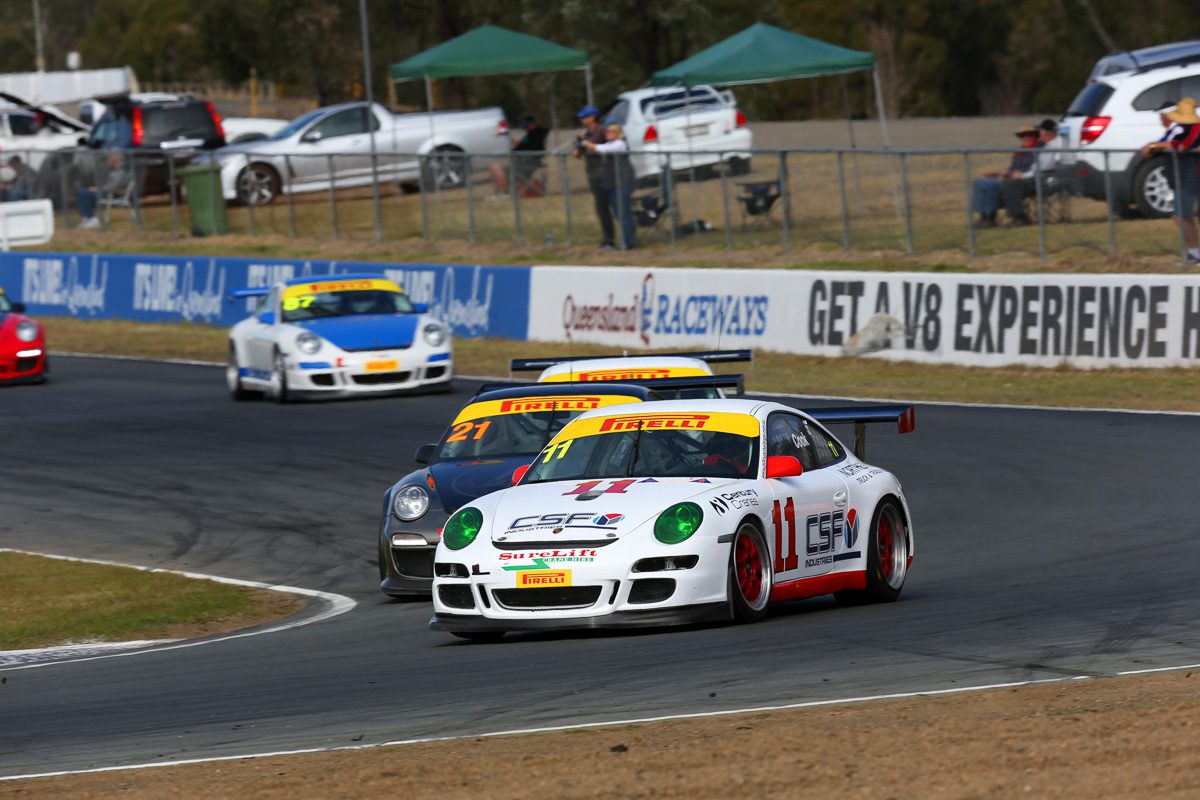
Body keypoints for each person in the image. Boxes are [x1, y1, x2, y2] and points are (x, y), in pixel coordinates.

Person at [1141, 98, 1200, 264]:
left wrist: (1154, 146)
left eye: (1162, 115)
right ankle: (1195, 252)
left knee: (1180, 216)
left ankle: (1194, 253)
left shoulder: (1182, 127)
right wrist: (1154, 147)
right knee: (1185, 216)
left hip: (1187, 176)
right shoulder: (1175, 129)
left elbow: (1178, 145)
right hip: (1180, 177)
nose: (1160, 119)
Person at [971, 125, 1040, 226]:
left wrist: (1018, 175)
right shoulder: (1020, 151)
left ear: (1035, 135)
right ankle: (985, 217)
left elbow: (1036, 168)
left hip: (1027, 180)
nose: (1026, 137)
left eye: (1029, 135)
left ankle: (1019, 217)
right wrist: (1003, 175)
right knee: (981, 183)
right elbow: (1013, 168)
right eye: (1022, 135)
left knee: (1005, 185)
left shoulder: (1040, 149)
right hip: (1011, 177)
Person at [1000, 118, 1064, 226]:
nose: (1040, 134)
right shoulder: (1049, 146)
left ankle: (1020, 218)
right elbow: (1038, 168)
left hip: (1049, 180)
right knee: (1006, 184)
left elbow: (1042, 168)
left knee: (1011, 185)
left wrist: (1022, 175)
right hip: (1043, 177)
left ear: (1046, 132)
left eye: (1040, 131)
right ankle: (990, 216)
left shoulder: (1052, 147)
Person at [582, 122, 636, 250]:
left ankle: (628, 243)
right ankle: (626, 239)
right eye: (607, 132)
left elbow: (602, 149)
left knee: (622, 211)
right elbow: (600, 147)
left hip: (625, 181)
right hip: (615, 182)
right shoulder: (609, 144)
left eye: (611, 132)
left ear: (618, 134)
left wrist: (588, 144)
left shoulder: (620, 144)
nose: (608, 134)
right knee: (618, 212)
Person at [573, 104, 617, 250]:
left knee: (612, 208)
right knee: (601, 209)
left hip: (605, 175)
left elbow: (612, 146)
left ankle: (613, 240)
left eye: (585, 117)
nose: (582, 119)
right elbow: (579, 152)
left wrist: (587, 145)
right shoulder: (587, 133)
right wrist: (578, 147)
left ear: (593, 117)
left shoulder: (602, 130)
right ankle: (607, 240)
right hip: (593, 175)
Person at [489, 115, 549, 195]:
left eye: (526, 127)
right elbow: (520, 146)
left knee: (501, 171)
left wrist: (513, 143)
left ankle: (503, 193)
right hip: (524, 163)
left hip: (527, 164)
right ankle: (503, 192)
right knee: (501, 169)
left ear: (531, 125)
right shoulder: (531, 135)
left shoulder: (536, 135)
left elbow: (523, 147)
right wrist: (509, 138)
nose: (525, 129)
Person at [76, 151, 130, 229]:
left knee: (82, 193)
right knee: (83, 191)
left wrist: (98, 189)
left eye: (109, 159)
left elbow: (113, 186)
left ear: (115, 159)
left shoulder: (120, 171)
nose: (108, 161)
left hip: (111, 194)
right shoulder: (116, 170)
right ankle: (87, 217)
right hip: (108, 192)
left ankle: (91, 219)